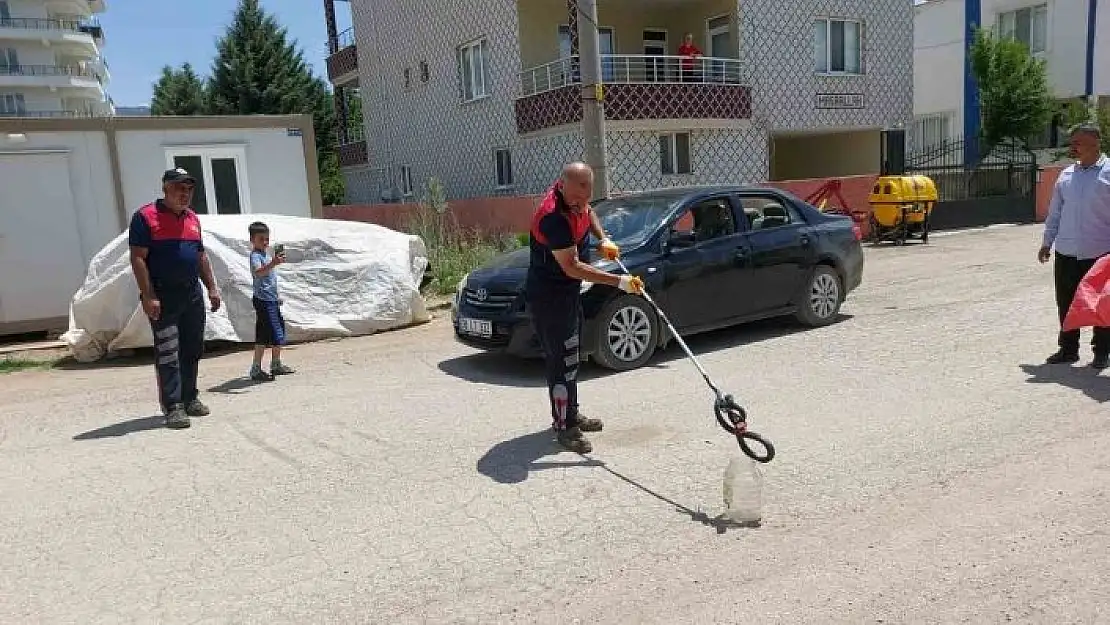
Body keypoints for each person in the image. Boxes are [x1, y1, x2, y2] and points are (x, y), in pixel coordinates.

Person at [527, 162, 644, 453]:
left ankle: (571, 413)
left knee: (571, 355)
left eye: (586, 195)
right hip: (549, 296)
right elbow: (571, 266)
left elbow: (589, 212)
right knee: (560, 361)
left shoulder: (578, 200)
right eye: (577, 198)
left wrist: (604, 238)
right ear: (562, 184)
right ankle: (565, 428)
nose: (582, 203)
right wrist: (619, 282)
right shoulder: (553, 217)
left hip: (568, 293)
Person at [128, 168, 222, 429]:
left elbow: (200, 255)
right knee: (168, 351)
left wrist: (212, 288)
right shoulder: (145, 217)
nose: (185, 193)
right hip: (163, 295)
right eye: (179, 188)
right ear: (165, 188)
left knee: (192, 349)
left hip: (191, 293)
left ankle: (190, 397)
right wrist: (148, 296)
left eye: (189, 189)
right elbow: (137, 258)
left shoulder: (192, 219)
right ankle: (173, 406)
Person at [1039, 123, 1110, 369]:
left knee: (1101, 304)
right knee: (1067, 301)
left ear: (1094, 142)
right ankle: (1068, 349)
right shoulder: (1067, 174)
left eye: (1077, 142)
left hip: (1100, 252)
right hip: (1067, 251)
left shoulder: (1109, 172)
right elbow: (1055, 212)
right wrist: (1047, 242)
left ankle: (1102, 351)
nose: (1073, 147)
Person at [247, 221, 296, 381]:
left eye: (267, 239)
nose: (265, 242)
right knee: (276, 332)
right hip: (263, 300)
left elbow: (270, 279)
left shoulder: (266, 255)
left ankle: (266, 366)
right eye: (261, 239)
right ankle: (270, 365)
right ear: (252, 240)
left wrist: (276, 296)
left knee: (264, 334)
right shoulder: (255, 255)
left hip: (270, 299)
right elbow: (258, 272)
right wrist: (273, 263)